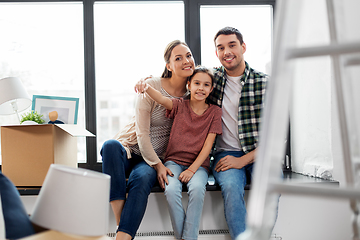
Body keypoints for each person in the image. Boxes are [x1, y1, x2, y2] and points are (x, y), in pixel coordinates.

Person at [101, 40, 195, 240]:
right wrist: (159, 166)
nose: (186, 60)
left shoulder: (192, 95)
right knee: (109, 145)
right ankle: (121, 222)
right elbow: (142, 134)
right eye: (178, 58)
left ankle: (123, 237)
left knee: (142, 178)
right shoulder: (151, 86)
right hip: (130, 149)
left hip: (152, 158)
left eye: (188, 55)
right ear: (169, 66)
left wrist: (159, 164)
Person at [135, 66, 222, 240]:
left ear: (211, 89)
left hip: (198, 166)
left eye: (206, 85)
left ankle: (188, 238)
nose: (201, 88)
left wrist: (192, 170)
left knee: (197, 189)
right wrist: (145, 85)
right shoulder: (179, 105)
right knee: (171, 189)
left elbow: (208, 147)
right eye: (197, 83)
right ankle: (185, 237)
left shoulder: (215, 112)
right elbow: (160, 98)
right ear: (189, 85)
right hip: (173, 161)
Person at [207, 27, 269, 240]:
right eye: (221, 48)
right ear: (216, 53)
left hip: (260, 154)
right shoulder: (211, 81)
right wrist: (151, 82)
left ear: (243, 47)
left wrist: (243, 161)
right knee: (232, 190)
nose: (227, 52)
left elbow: (277, 138)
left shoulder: (265, 83)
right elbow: (182, 88)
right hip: (226, 155)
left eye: (232, 45)